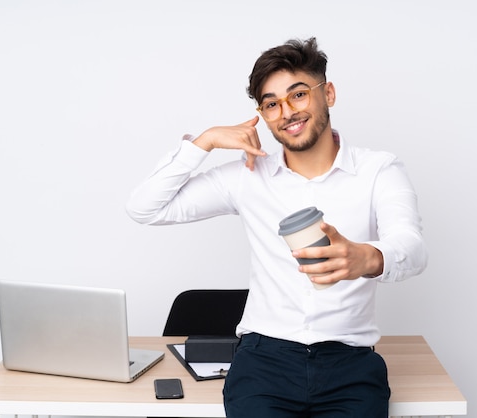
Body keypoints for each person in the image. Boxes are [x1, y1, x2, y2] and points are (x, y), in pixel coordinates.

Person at [127, 37, 427, 418]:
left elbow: (413, 247)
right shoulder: (248, 176)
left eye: (298, 94)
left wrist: (367, 257)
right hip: (264, 362)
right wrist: (204, 142)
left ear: (328, 93)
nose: (287, 111)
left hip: (349, 363)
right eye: (272, 104)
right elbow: (144, 208)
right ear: (263, 114)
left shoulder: (378, 170)